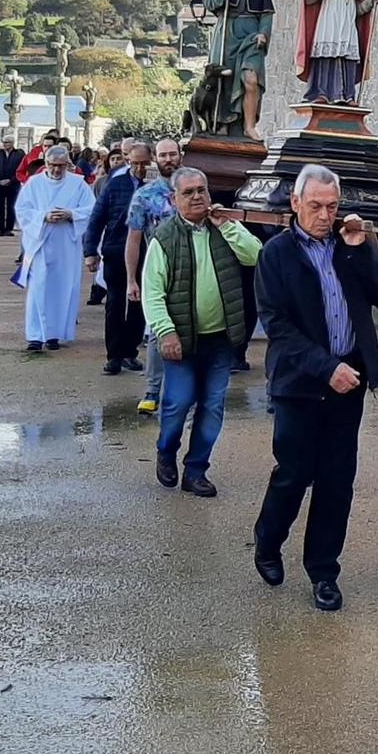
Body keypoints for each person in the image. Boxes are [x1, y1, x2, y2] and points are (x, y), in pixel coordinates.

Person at [251, 164, 378, 612]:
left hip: (347, 381)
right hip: (299, 383)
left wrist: (362, 248)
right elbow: (278, 324)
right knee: (294, 473)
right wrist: (324, 366)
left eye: (331, 206)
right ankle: (268, 542)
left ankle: (323, 571)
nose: (324, 215)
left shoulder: (347, 244)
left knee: (337, 481)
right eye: (315, 206)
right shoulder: (276, 254)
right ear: (295, 203)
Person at [135, 168, 261, 496]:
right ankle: (166, 450)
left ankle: (196, 470)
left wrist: (228, 226)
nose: (197, 197)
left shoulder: (224, 229)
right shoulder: (165, 237)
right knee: (177, 404)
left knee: (213, 405)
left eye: (201, 190)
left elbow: (256, 255)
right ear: (174, 200)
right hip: (181, 340)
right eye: (188, 192)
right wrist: (165, 332)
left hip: (220, 339)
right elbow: (152, 292)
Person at [14, 144, 95, 353]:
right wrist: (43, 216)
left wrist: (71, 214)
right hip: (41, 242)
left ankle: (54, 334)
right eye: (52, 165)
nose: (56, 170)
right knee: (39, 288)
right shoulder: (34, 183)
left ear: (68, 164)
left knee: (64, 288)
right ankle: (35, 335)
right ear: (46, 163)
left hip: (66, 244)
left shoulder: (78, 184)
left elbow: (91, 209)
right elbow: (22, 210)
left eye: (61, 166)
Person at [123, 137, 183, 411]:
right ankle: (152, 390)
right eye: (163, 155)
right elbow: (134, 240)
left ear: (180, 156)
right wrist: (131, 279)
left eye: (173, 154)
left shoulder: (194, 188)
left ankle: (186, 389)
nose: (168, 159)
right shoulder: (144, 196)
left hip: (194, 270)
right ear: (155, 159)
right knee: (159, 331)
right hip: (158, 272)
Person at [85, 141, 153, 378]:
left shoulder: (156, 187)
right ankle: (113, 356)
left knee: (138, 304)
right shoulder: (116, 185)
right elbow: (97, 218)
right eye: (135, 163)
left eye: (144, 163)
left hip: (146, 253)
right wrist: (90, 251)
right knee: (115, 303)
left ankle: (129, 352)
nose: (140, 168)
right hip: (115, 250)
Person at [203, 0, 276, 139]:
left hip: (252, 36)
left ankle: (249, 126)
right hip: (227, 33)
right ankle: (223, 121)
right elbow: (208, 2)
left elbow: (267, 14)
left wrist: (263, 33)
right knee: (224, 78)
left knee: (251, 80)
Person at [0, 143, 21, 235]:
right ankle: (0, 228)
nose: (6, 144)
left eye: (8, 142)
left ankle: (9, 229)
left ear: (12, 143)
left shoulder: (19, 154)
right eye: (5, 142)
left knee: (11, 207)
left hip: (13, 184)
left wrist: (11, 180)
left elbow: (20, 170)